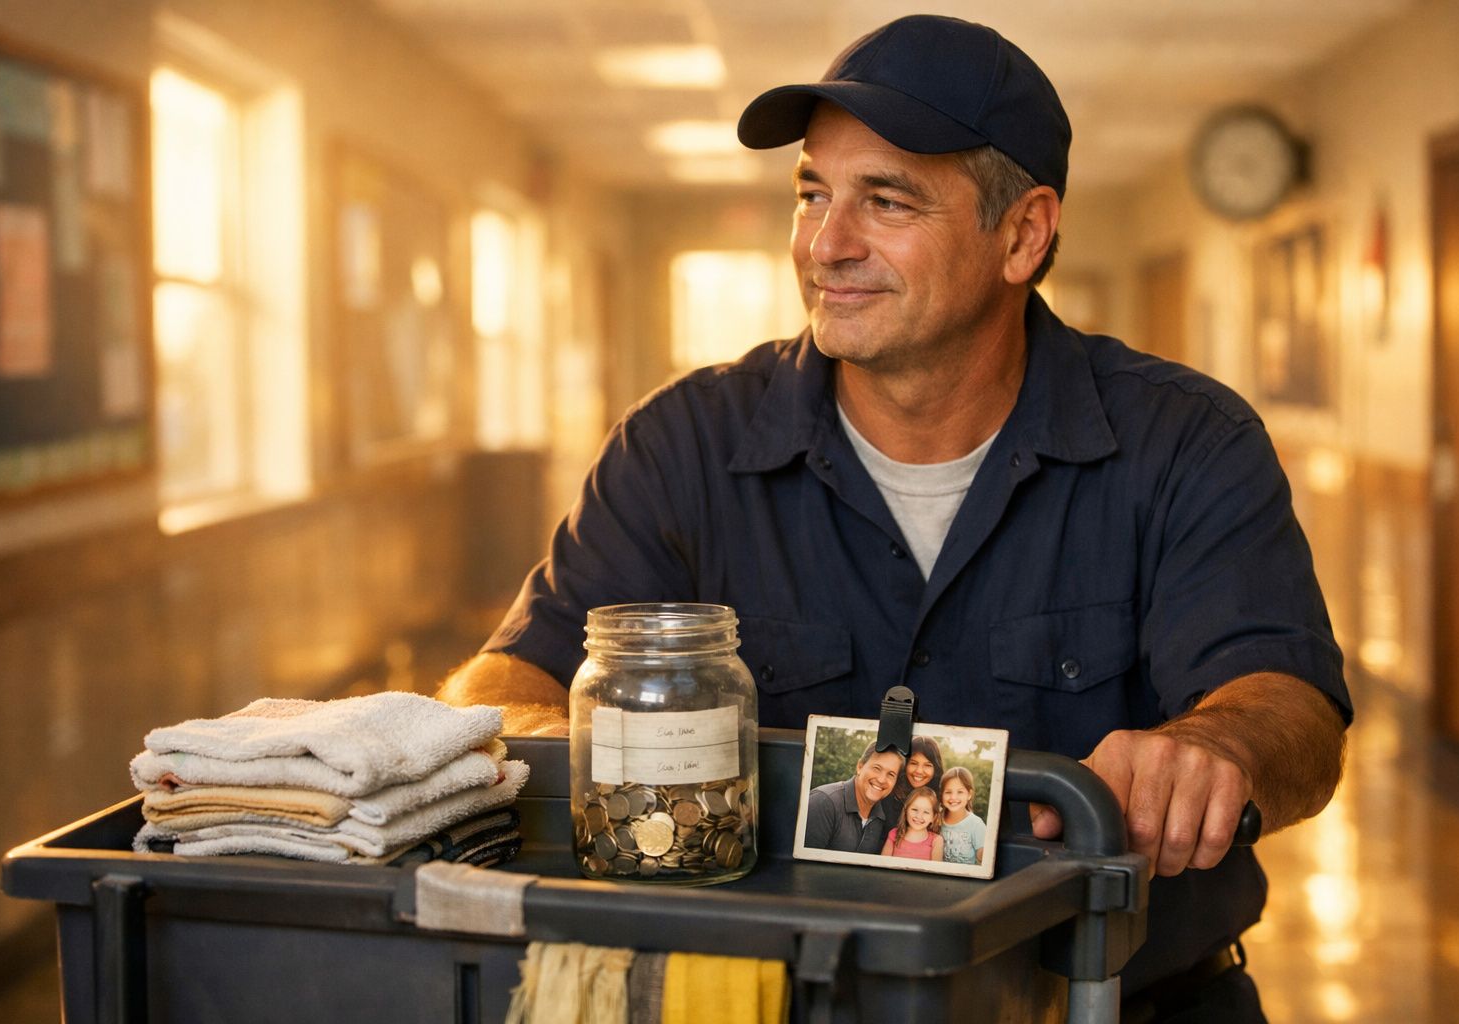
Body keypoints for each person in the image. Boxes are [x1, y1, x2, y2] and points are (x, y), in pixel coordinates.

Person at [440, 14, 1351, 1017]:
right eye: (813, 194)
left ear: (1023, 234)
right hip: (783, 1000)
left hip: (1122, 1000)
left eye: (887, 200)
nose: (827, 244)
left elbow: (1292, 708)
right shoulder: (680, 448)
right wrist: (548, 739)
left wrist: (1217, 748)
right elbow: (508, 681)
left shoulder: (1186, 443)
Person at [802, 742, 904, 854]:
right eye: (876, 768)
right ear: (860, 767)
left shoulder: (882, 816)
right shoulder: (823, 802)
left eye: (891, 774)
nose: (881, 780)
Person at [876, 734, 943, 831]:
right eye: (913, 763)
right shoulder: (890, 794)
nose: (919, 771)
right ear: (905, 764)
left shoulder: (941, 799)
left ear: (935, 768)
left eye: (927, 765)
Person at [938, 766, 987, 866]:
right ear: (942, 794)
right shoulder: (936, 819)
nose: (953, 797)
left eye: (960, 792)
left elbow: (983, 858)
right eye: (948, 792)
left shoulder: (976, 824)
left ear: (969, 794)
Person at [882, 786, 945, 861]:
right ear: (906, 811)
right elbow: (883, 865)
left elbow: (935, 870)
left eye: (926, 812)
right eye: (914, 809)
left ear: (933, 817)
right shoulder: (894, 834)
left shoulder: (936, 841)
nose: (919, 816)